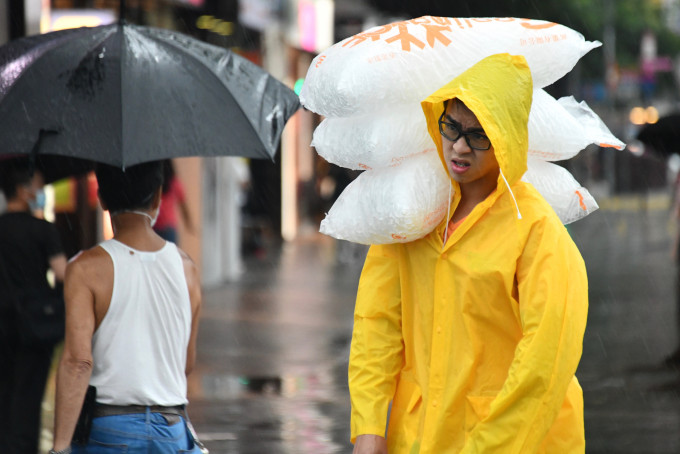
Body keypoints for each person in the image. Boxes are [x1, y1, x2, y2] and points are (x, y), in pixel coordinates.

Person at [349, 54, 589, 454]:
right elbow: (377, 325)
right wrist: (369, 427)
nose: (459, 146)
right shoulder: (412, 215)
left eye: (479, 135)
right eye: (452, 127)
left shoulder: (535, 229)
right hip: (421, 439)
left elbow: (545, 362)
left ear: (506, 138)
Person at [50, 161, 203, 453]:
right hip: (171, 429)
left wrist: (59, 448)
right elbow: (187, 363)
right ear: (158, 197)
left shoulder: (85, 268)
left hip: (110, 430)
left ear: (103, 198)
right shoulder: (188, 270)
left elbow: (77, 362)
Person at [0, 158, 67, 454]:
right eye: (39, 186)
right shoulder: (43, 230)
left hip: (1, 321)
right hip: (35, 324)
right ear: (23, 190)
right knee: (29, 393)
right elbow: (64, 274)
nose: (41, 190)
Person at [153, 159, 194, 243]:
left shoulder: (154, 184)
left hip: (153, 227)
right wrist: (189, 224)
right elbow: (184, 206)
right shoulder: (174, 184)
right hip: (169, 228)